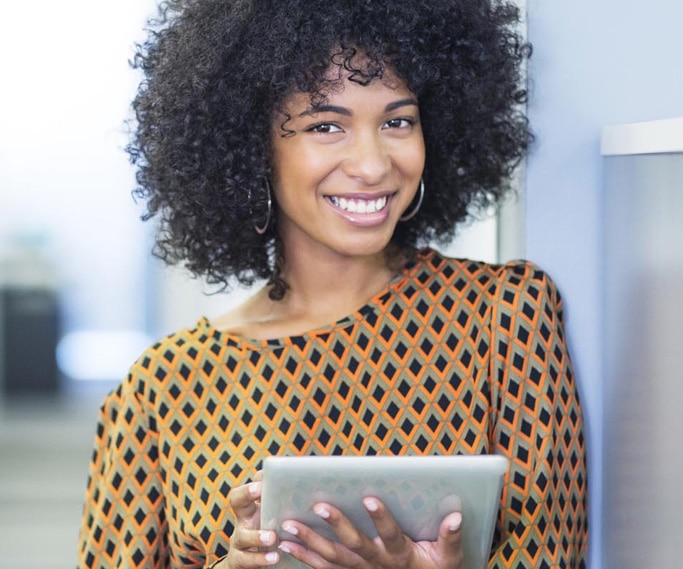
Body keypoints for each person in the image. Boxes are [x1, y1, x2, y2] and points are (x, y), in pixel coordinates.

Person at [77, 0, 588, 567]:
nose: (372, 165)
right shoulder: (162, 386)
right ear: (253, 149)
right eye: (326, 125)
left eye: (398, 121)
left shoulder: (504, 314)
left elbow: (553, 551)